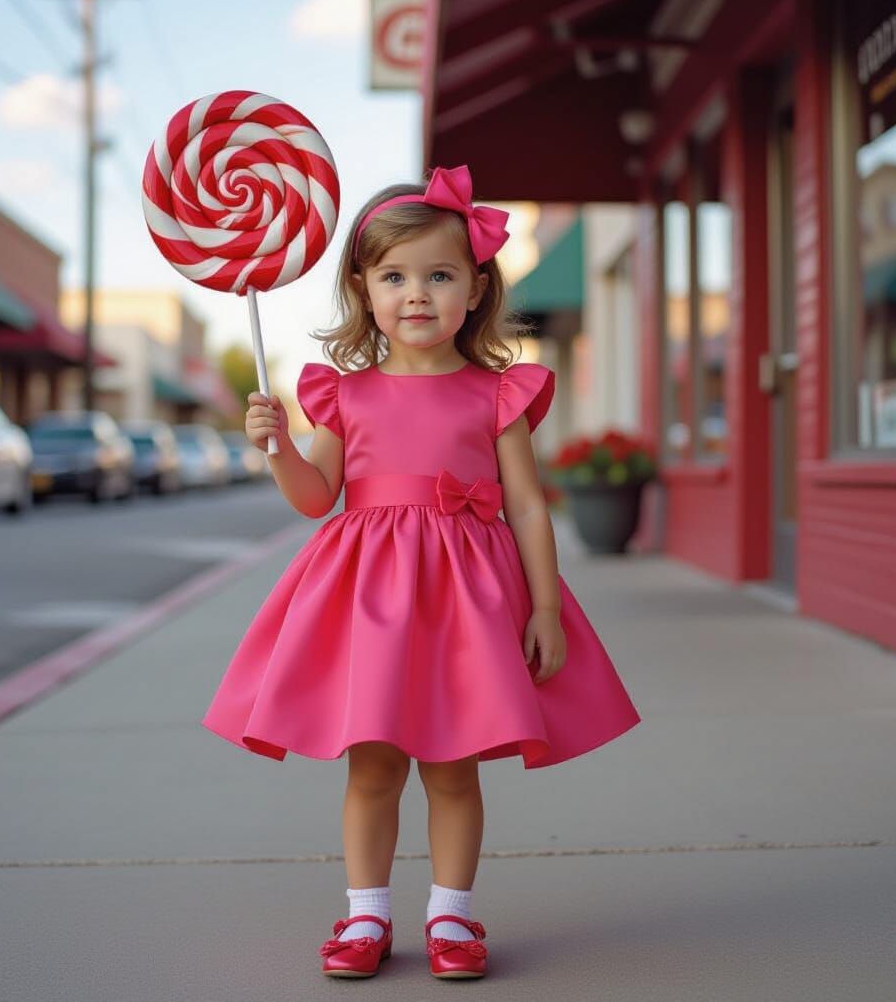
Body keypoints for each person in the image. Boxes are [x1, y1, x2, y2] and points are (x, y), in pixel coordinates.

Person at [202, 164, 641, 980]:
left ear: (474, 290)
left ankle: (452, 918)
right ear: (363, 290)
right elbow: (314, 499)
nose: (417, 294)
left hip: (466, 604)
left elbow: (530, 508)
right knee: (372, 764)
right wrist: (277, 447)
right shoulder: (347, 396)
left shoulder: (497, 395)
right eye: (394, 276)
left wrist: (544, 609)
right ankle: (365, 916)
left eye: (439, 276)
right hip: (371, 600)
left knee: (454, 764)